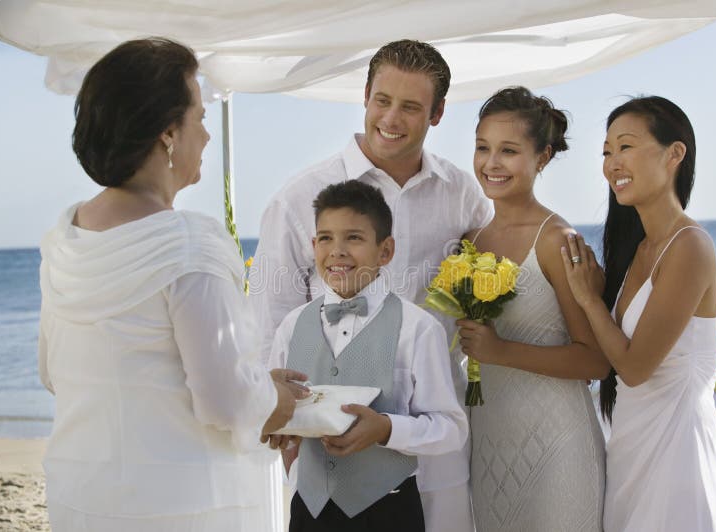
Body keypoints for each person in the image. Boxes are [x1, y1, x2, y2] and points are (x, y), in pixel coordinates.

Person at [37, 37, 307, 532]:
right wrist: (279, 402)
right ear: (168, 134)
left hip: (83, 496)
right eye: (200, 118)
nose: (205, 135)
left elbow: (52, 375)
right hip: (182, 507)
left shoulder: (63, 238)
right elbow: (225, 401)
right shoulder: (188, 246)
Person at [251, 39, 491, 531]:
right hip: (331, 447)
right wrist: (288, 431)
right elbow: (270, 323)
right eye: (383, 100)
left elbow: (490, 281)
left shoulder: (464, 194)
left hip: (433, 444)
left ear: (438, 113)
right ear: (364, 95)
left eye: (411, 106)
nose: (392, 118)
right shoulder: (298, 199)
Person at [562, 96, 716, 531]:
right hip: (630, 450)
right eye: (606, 151)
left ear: (675, 154)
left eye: (626, 147)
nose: (612, 162)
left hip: (676, 456)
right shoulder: (637, 250)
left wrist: (589, 299)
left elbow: (634, 368)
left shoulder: (690, 246)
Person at [266, 181, 467, 532]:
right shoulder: (291, 326)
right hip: (309, 510)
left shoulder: (418, 328)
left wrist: (387, 429)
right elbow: (275, 409)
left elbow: (451, 428)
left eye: (354, 238)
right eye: (325, 238)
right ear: (313, 246)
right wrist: (280, 425)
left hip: (389, 510)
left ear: (385, 251)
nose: (337, 250)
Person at [454, 87, 607, 532]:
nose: (491, 163)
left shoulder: (559, 240)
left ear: (541, 158)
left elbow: (595, 360)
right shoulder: (470, 240)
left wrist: (500, 351)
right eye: (483, 148)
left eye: (508, 151)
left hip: (559, 446)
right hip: (489, 444)